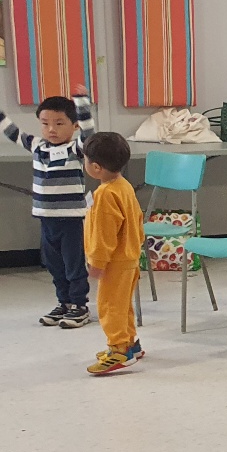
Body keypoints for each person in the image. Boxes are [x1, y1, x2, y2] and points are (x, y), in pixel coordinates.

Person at [0, 85, 98, 328]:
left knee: (74, 264)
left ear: (74, 126)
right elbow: (9, 130)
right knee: (54, 264)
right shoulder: (37, 146)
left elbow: (89, 133)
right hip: (46, 217)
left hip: (71, 219)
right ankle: (64, 302)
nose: (51, 129)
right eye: (45, 123)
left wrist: (82, 101)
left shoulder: (76, 149)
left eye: (59, 123)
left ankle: (79, 306)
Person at [80, 132, 146, 375]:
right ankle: (130, 343)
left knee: (109, 306)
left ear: (96, 167)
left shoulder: (105, 194)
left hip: (114, 262)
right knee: (122, 304)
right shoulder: (124, 186)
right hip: (129, 257)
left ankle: (119, 349)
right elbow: (137, 219)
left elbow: (104, 233)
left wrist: (97, 262)